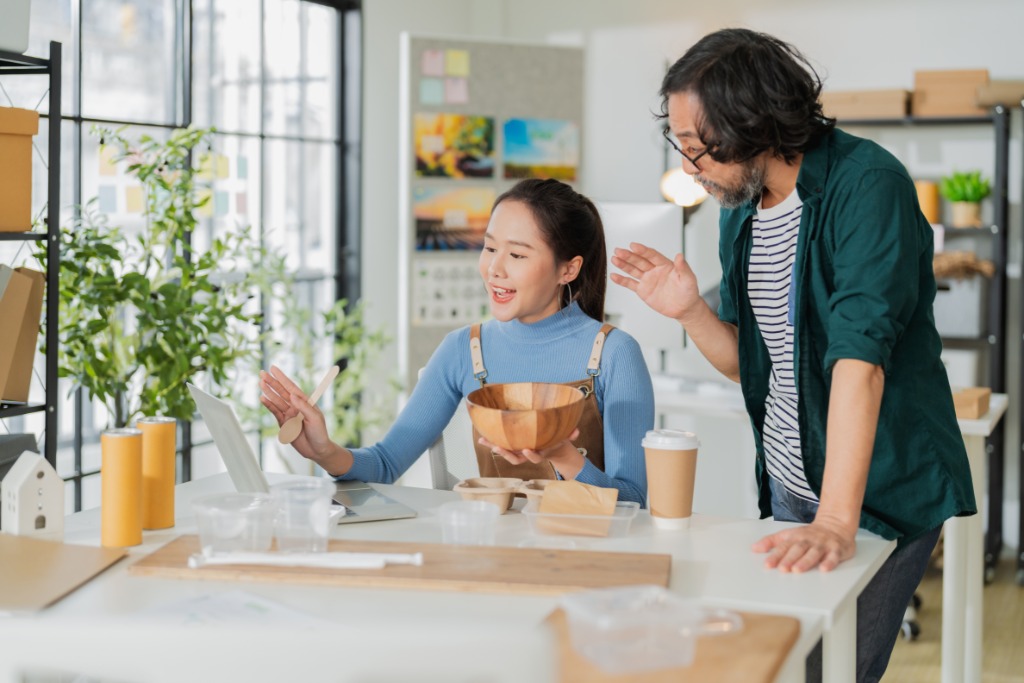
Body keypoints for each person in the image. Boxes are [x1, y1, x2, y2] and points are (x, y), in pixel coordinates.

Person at [610, 28, 975, 682]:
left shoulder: (868, 186)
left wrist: (836, 519)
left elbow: (858, 361)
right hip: (787, 480)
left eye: (698, 146)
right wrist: (692, 311)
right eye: (680, 145)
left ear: (752, 119)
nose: (689, 165)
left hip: (878, 492)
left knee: (834, 673)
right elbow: (751, 365)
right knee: (785, 665)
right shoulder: (741, 208)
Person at [261, 178, 653, 505]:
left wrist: (563, 455)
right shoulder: (464, 349)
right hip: (495, 553)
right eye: (489, 247)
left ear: (568, 268)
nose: (494, 269)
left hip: (589, 558)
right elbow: (385, 464)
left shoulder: (614, 354)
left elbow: (634, 502)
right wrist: (324, 450)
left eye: (516, 254)